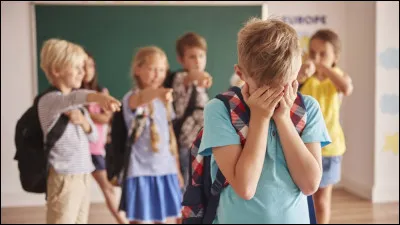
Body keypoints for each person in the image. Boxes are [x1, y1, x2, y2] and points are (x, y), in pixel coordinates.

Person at [197, 18, 331, 223]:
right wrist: (260, 118)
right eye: (265, 88)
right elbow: (246, 187)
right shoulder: (219, 110)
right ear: (241, 73)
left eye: (284, 86)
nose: (276, 95)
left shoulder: (308, 108)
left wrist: (284, 119)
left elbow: (310, 184)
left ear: (296, 72)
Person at [38, 38, 121, 224]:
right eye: (76, 67)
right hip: (64, 177)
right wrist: (98, 97)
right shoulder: (50, 101)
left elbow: (93, 136)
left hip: (83, 174)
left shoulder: (80, 107)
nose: (82, 72)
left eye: (83, 67)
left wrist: (84, 122)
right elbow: (73, 98)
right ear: (56, 70)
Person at [118, 46, 183, 224]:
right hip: (140, 171)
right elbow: (142, 98)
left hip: (164, 169)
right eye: (152, 69)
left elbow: (170, 137)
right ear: (137, 69)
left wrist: (176, 169)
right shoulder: (132, 98)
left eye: (162, 70)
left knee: (161, 219)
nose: (158, 74)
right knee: (139, 220)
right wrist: (159, 93)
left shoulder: (164, 101)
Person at [298, 29, 354, 224]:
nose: (317, 58)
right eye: (313, 53)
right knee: (303, 199)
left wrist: (324, 67)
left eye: (323, 54)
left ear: (335, 57)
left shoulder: (338, 77)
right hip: (302, 146)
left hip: (330, 148)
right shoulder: (304, 77)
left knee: (322, 200)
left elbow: (346, 88)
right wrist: (301, 75)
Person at [81, 50, 129, 224]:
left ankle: (123, 221)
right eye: (84, 65)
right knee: (80, 192)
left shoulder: (101, 91)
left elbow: (107, 117)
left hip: (96, 149)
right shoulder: (73, 94)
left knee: (108, 188)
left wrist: (84, 115)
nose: (88, 69)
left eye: (91, 65)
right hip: (78, 151)